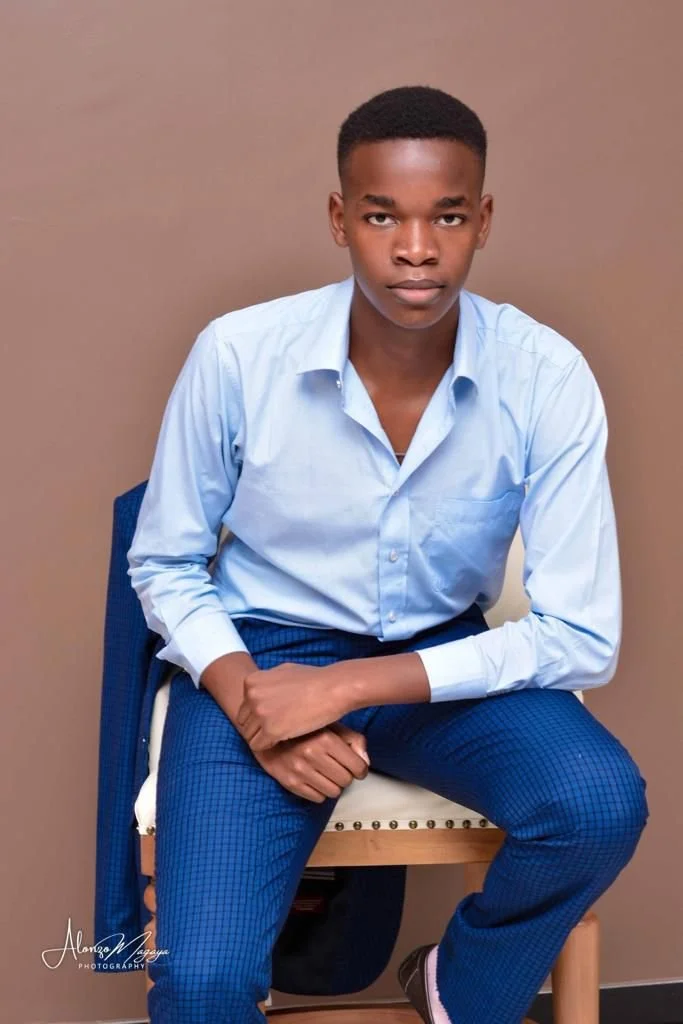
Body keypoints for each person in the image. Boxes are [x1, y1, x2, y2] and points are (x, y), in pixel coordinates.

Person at [127, 84, 649, 1024]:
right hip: (265, 655)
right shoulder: (239, 355)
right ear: (340, 219)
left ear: (482, 220)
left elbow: (581, 637)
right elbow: (162, 563)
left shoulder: (544, 373)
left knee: (595, 803)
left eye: (447, 215)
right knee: (202, 984)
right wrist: (254, 698)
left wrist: (351, 688)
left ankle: (458, 988)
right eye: (382, 216)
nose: (416, 247)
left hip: (433, 663)